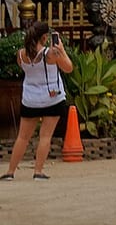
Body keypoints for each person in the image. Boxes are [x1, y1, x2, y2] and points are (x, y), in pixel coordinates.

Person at [3, 22, 72, 179]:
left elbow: (26, 68)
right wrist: (61, 51)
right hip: (52, 98)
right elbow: (68, 68)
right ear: (45, 37)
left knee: (22, 137)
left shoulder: (21, 54)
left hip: (30, 99)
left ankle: (10, 171)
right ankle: (38, 171)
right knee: (45, 136)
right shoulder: (51, 54)